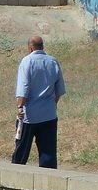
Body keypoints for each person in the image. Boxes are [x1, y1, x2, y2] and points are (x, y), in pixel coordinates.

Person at [12, 35, 65, 169]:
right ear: (42, 46)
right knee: (48, 153)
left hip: (29, 116)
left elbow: (24, 87)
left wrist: (20, 107)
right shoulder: (53, 61)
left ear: (30, 48)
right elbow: (59, 90)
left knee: (21, 150)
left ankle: (16, 175)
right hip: (49, 115)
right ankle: (50, 180)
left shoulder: (27, 61)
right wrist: (52, 105)